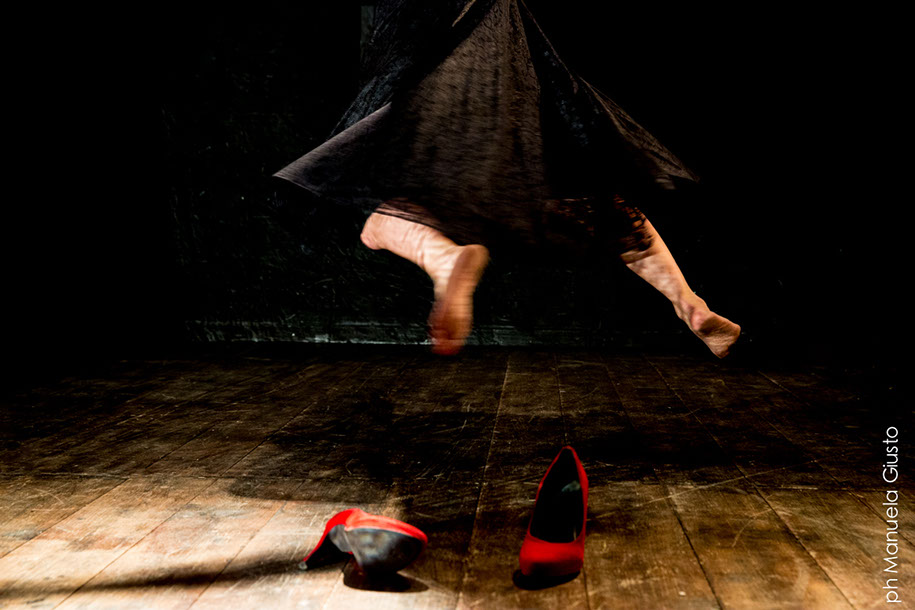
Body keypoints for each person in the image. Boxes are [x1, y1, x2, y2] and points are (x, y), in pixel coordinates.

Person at [274, 0, 740, 357]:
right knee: (594, 201)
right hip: (507, 50)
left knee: (381, 219)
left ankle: (444, 260)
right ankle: (691, 305)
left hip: (429, 40)